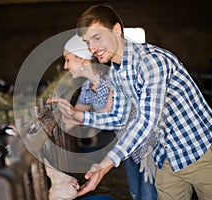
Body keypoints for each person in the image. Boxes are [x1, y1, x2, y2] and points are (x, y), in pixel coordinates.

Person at [48, 4, 212, 200]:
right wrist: (78, 115)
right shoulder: (117, 73)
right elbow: (120, 117)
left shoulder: (151, 62)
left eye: (97, 38)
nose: (92, 49)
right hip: (165, 157)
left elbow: (146, 120)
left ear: (116, 30)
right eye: (87, 42)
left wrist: (106, 164)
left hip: (200, 151)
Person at [62, 34, 157, 200]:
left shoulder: (111, 77)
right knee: (136, 194)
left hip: (147, 145)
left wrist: (79, 116)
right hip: (125, 147)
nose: (65, 66)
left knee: (149, 195)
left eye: (68, 59)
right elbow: (73, 118)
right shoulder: (87, 87)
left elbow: (109, 112)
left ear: (82, 58)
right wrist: (36, 132)